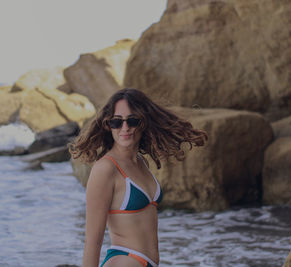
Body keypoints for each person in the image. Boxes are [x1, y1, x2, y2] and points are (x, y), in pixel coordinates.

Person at [69, 88, 207, 267]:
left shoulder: (140, 162)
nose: (125, 128)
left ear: (144, 121)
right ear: (108, 125)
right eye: (117, 122)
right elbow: (92, 242)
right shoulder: (105, 169)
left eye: (132, 120)